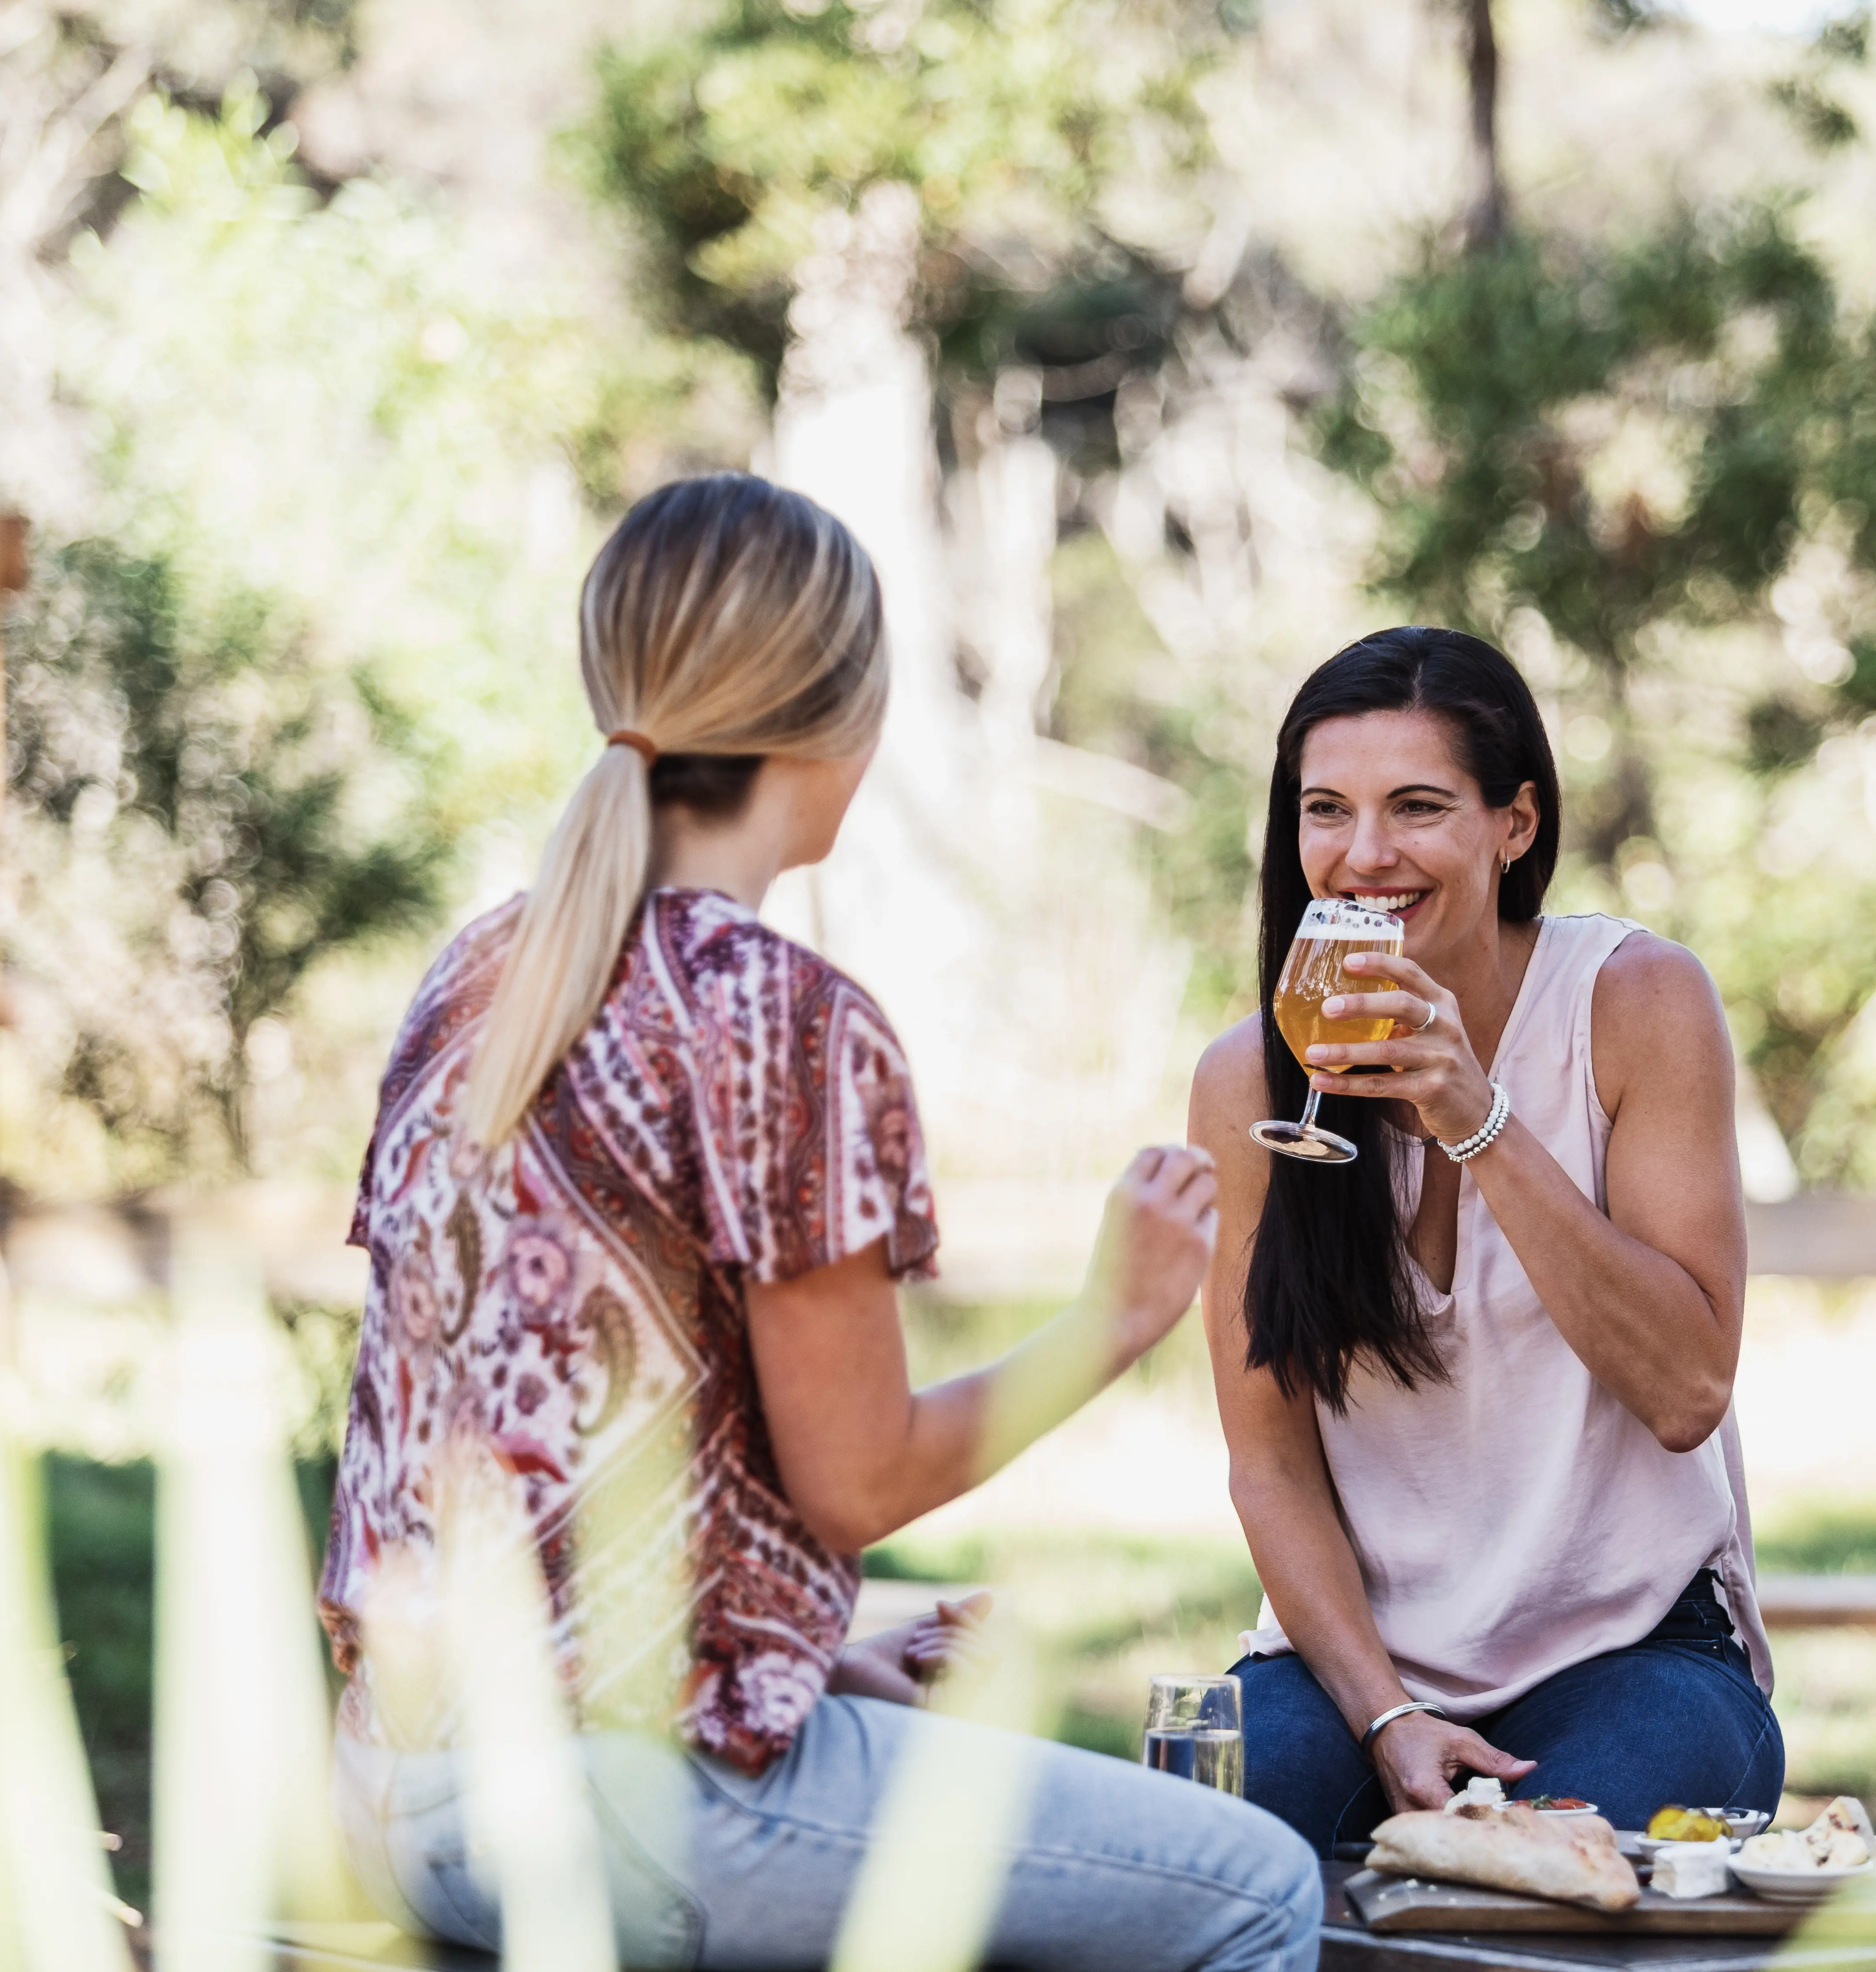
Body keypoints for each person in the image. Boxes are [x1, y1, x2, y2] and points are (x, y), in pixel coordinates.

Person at [317, 475, 1322, 1972]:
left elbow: (532, 1455)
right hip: (627, 1817)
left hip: (399, 1792)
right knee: (1257, 1889)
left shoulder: (476, 980)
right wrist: (1114, 1318)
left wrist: (805, 1658)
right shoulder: (782, 1017)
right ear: (841, 720)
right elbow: (856, 1480)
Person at [1188, 626, 1778, 1857]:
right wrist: (1386, 1708)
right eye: (1325, 811)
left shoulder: (1635, 1002)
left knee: (1536, 1871)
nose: (1361, 857)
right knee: (1191, 1854)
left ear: (1514, 825)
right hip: (1362, 1658)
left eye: (1416, 808)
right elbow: (1273, 1465)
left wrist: (1475, 1116)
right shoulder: (1250, 1076)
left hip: (1635, 1649)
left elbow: (1687, 1390)